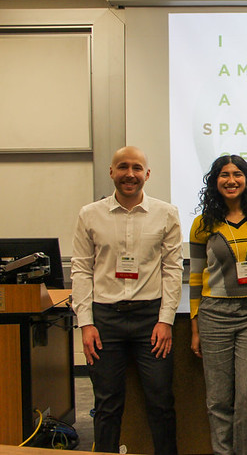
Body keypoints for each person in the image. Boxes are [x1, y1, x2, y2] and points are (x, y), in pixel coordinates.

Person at [71, 146, 182, 455]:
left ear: (147, 174)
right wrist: (86, 324)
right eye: (122, 167)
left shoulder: (166, 213)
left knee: (161, 402)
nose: (129, 174)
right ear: (111, 172)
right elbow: (81, 269)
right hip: (105, 320)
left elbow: (172, 269)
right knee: (106, 405)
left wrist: (165, 320)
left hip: (151, 320)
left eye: (136, 168)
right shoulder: (89, 215)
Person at [188, 154, 247, 455]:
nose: (231, 180)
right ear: (215, 182)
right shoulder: (202, 224)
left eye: (237, 174)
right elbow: (196, 277)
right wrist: (194, 326)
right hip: (214, 314)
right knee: (218, 399)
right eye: (224, 174)